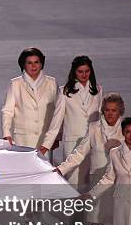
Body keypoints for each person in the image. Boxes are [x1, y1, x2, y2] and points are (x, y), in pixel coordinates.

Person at [55, 93, 125, 225]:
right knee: (95, 216)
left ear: (120, 111)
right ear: (103, 110)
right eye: (107, 110)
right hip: (97, 177)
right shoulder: (94, 128)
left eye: (114, 111)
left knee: (118, 217)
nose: (110, 114)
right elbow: (79, 153)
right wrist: (61, 169)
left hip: (118, 180)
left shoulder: (126, 129)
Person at [41, 56, 103, 188]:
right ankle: (73, 208)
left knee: (92, 182)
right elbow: (57, 120)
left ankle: (89, 209)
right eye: (80, 71)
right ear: (74, 72)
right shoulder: (65, 91)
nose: (84, 75)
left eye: (87, 71)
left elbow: (100, 118)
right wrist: (47, 143)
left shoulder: (98, 90)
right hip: (73, 143)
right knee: (73, 183)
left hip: (93, 143)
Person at [2, 47, 57, 149]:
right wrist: (6, 133)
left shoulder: (51, 83)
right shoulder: (15, 84)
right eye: (29, 63)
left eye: (36, 62)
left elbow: (57, 112)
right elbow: (7, 111)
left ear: (41, 64)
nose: (33, 66)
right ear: (23, 64)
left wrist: (57, 136)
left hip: (45, 139)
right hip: (22, 139)